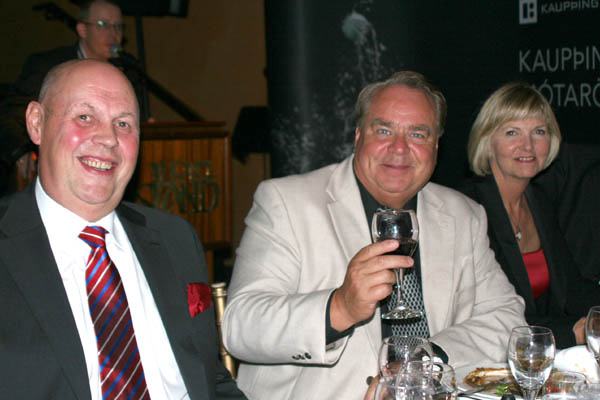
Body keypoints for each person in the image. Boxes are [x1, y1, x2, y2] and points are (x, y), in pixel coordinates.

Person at [221, 71, 526, 400]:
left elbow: (506, 318)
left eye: (418, 134)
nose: (399, 148)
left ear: (436, 146)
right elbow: (240, 326)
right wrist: (340, 307)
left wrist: (425, 360)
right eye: (383, 130)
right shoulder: (287, 202)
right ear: (357, 136)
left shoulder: (463, 215)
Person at [0, 59, 245, 400]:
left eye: (123, 123)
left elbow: (209, 379)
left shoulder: (174, 239)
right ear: (36, 123)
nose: (108, 138)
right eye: (85, 117)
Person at [459, 82, 600, 349]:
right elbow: (491, 315)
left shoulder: (539, 200)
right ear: (488, 144)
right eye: (512, 132)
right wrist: (572, 333)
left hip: (538, 352)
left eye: (539, 132)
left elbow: (572, 288)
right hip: (486, 355)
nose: (528, 145)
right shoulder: (468, 208)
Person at [1, 0, 147, 195]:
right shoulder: (49, 65)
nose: (113, 34)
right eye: (103, 25)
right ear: (82, 30)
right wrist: (20, 151)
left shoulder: (127, 73)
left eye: (118, 26)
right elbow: (11, 113)